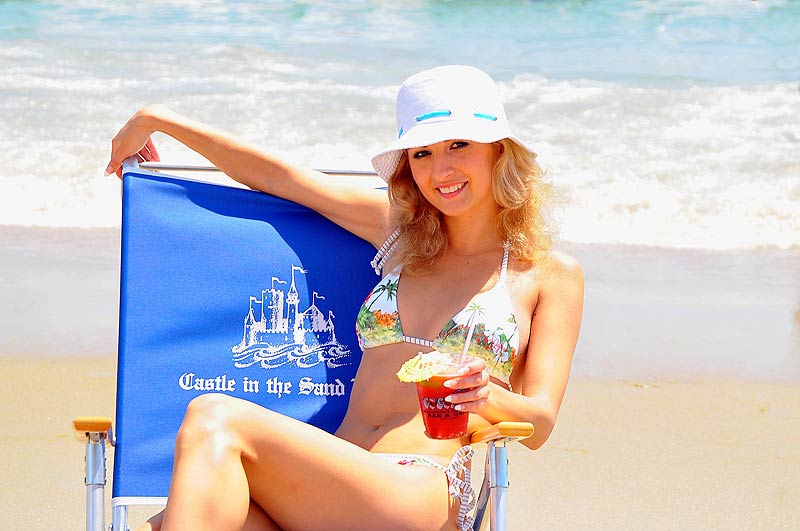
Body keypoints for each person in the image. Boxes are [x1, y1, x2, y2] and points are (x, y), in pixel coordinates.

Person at [106, 65, 584, 531]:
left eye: (459, 145)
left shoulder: (546, 274)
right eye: (421, 154)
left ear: (499, 151)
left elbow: (540, 423)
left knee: (214, 416)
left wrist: (485, 396)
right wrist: (159, 119)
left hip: (420, 489)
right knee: (178, 516)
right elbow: (280, 178)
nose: (441, 170)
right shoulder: (399, 235)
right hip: (337, 483)